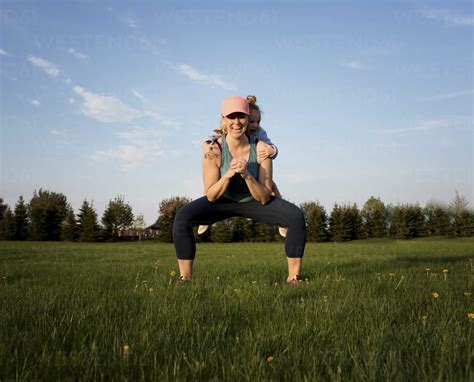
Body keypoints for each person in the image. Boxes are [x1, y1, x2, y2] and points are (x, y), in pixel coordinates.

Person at [172, 95, 306, 283]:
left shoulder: (261, 148)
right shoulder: (213, 150)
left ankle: (294, 278)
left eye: (242, 116)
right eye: (231, 117)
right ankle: (185, 279)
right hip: (221, 201)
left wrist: (247, 175)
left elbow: (265, 197)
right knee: (183, 217)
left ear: (247, 117)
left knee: (295, 216)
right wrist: (227, 175)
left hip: (253, 200)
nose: (237, 122)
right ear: (224, 120)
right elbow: (211, 195)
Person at [199, 95, 287, 237]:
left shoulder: (259, 133)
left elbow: (270, 148)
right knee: (211, 187)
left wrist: (273, 150)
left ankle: (282, 217)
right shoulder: (227, 130)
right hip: (228, 179)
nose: (255, 125)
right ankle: (205, 216)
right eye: (252, 121)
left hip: (255, 171)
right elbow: (209, 138)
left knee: (271, 186)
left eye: (258, 122)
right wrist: (205, 146)